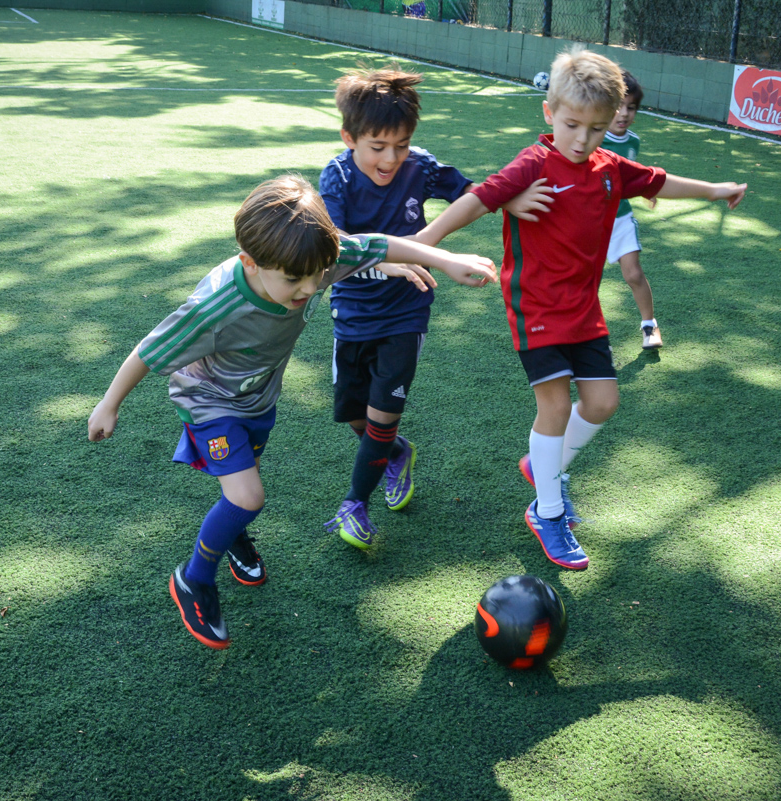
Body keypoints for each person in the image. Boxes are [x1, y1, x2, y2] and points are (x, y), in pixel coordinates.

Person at [87, 174, 496, 650]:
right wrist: (108, 404)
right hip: (210, 401)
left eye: (317, 275)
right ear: (251, 263)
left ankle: (232, 534)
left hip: (259, 399)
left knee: (242, 492)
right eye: (293, 280)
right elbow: (149, 351)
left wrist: (446, 259)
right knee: (247, 496)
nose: (308, 288)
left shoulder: (312, 261)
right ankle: (194, 579)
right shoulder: (216, 307)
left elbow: (377, 245)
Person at [414, 49, 746, 571]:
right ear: (550, 113)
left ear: (610, 122)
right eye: (571, 124)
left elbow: (658, 181)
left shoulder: (609, 169)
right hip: (536, 306)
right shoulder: (533, 163)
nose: (582, 139)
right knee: (554, 408)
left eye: (595, 128)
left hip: (584, 309)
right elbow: (479, 199)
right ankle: (547, 510)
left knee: (603, 404)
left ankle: (543, 467)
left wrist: (715, 190)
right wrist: (425, 245)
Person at [318, 66, 544, 549]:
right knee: (358, 420)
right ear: (349, 138)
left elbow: (469, 190)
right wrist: (389, 261)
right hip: (353, 312)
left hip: (406, 312)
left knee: (381, 417)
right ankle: (398, 454)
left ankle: (353, 504)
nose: (391, 158)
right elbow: (333, 245)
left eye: (400, 145)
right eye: (378, 147)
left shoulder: (419, 165)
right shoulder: (335, 177)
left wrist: (512, 198)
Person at [601, 70, 662, 349]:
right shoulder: (592, 136)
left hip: (620, 218)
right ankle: (591, 339)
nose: (624, 114)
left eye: (631, 107)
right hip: (588, 222)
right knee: (584, 281)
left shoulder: (633, 141)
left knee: (633, 274)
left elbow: (631, 176)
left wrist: (646, 189)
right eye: (618, 106)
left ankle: (649, 326)